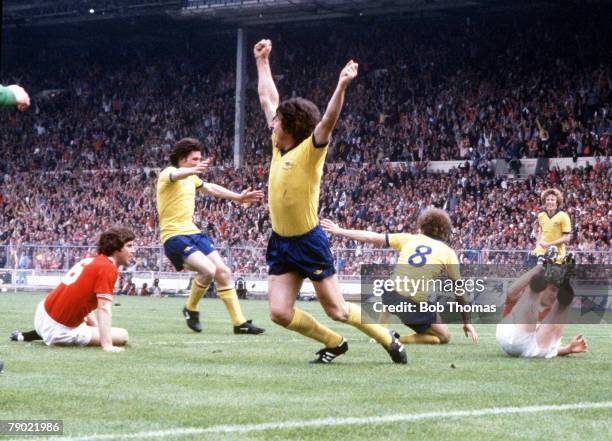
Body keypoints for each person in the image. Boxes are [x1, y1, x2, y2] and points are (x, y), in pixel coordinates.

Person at [254, 38, 405, 364]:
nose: (272, 122)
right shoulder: (277, 143)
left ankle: (387, 338)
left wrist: (341, 85)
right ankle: (334, 343)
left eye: (278, 121)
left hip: (309, 242)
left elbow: (328, 121)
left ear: (291, 127)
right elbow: (268, 97)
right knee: (279, 313)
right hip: (281, 242)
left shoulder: (310, 151)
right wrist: (262, 61)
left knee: (336, 308)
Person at [321, 208, 479, 346]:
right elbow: (459, 290)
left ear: (422, 226)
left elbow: (372, 237)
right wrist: (467, 322)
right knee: (444, 337)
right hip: (411, 303)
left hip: (389, 295)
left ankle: (381, 329)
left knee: (397, 286)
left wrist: (340, 230)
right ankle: (395, 338)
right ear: (445, 230)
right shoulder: (448, 252)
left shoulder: (408, 238)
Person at [156, 137, 265, 335]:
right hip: (174, 236)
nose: (198, 163)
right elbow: (177, 174)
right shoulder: (168, 173)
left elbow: (211, 188)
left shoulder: (192, 178)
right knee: (208, 270)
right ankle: (191, 309)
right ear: (182, 159)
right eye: (194, 159)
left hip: (194, 233)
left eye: (200, 160)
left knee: (223, 272)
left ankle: (239, 323)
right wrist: (192, 170)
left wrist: (239, 197)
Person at [10, 227, 134, 353]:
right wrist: (107, 345)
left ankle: (30, 335)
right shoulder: (108, 268)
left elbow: (83, 302)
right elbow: (104, 308)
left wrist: (96, 330)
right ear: (115, 248)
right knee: (123, 335)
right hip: (58, 329)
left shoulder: (90, 260)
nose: (133, 251)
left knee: (87, 322)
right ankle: (47, 334)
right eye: (129, 246)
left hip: (43, 313)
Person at [496, 252, 587, 358]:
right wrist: (538, 268)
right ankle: (542, 278)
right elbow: (511, 292)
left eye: (558, 291)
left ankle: (565, 281)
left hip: (534, 349)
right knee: (529, 315)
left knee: (561, 307)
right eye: (553, 290)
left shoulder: (550, 311)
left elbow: (550, 347)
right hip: (512, 335)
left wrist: (568, 349)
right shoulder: (520, 297)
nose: (555, 295)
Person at [531, 188, 572, 263]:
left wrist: (549, 244)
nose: (550, 202)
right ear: (544, 202)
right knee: (539, 269)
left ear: (557, 202)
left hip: (558, 254)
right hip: (542, 252)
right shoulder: (541, 216)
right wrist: (537, 248)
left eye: (552, 200)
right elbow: (541, 233)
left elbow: (567, 238)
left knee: (551, 273)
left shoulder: (563, 216)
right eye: (548, 199)